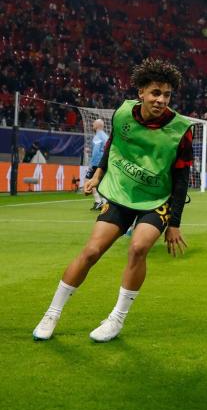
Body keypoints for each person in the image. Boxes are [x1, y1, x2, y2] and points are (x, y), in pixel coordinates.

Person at [32, 58, 193, 343]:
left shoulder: (181, 129)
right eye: (156, 92)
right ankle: (52, 313)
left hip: (157, 199)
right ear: (141, 92)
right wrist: (97, 175)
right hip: (120, 194)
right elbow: (111, 146)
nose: (161, 100)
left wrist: (175, 223)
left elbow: (181, 179)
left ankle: (116, 318)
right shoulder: (122, 114)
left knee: (138, 247)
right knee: (92, 251)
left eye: (167, 94)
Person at [88, 118, 110, 211]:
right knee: (102, 183)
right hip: (106, 162)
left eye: (93, 124)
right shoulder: (106, 136)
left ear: (97, 126)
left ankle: (99, 202)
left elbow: (96, 151)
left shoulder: (97, 136)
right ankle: (103, 203)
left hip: (98, 163)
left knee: (90, 181)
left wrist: (93, 164)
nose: (92, 126)